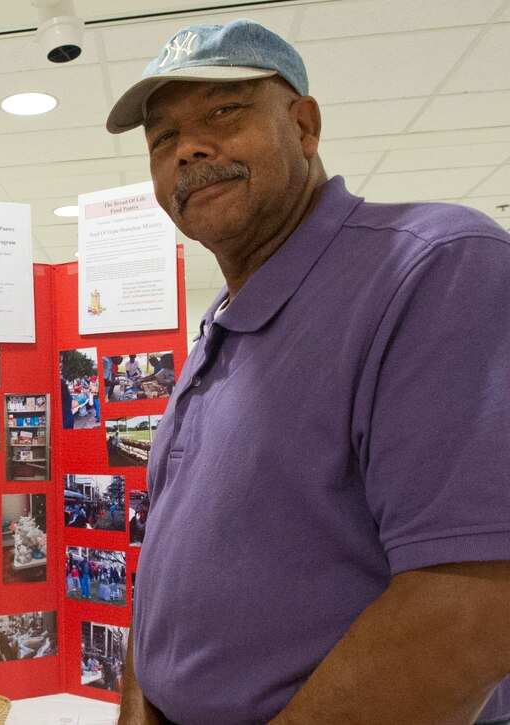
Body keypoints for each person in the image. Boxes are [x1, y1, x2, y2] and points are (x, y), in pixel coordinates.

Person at [108, 18, 510, 725]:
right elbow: (164, 578)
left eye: (222, 112)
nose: (189, 148)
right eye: (162, 139)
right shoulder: (216, 335)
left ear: (304, 125)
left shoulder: (434, 266)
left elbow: (473, 600)